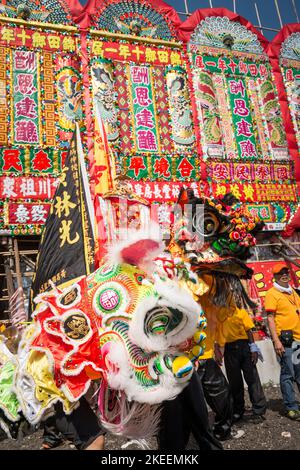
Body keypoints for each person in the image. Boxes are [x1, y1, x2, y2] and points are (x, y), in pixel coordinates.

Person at [216, 307, 267, 423]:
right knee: (235, 382)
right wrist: (217, 350)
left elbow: (249, 330)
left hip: (245, 347)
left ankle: (259, 410)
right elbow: (215, 334)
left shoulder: (240, 312)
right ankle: (238, 411)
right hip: (229, 349)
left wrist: (253, 348)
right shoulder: (218, 315)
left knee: (252, 380)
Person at [265, 263, 300, 420]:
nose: (285, 274)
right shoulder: (272, 293)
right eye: (281, 273)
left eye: (286, 272)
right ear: (275, 276)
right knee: (288, 374)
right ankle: (291, 406)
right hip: (285, 341)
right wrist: (276, 340)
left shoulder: (292, 291)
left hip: (298, 338)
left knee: (299, 373)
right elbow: (270, 318)